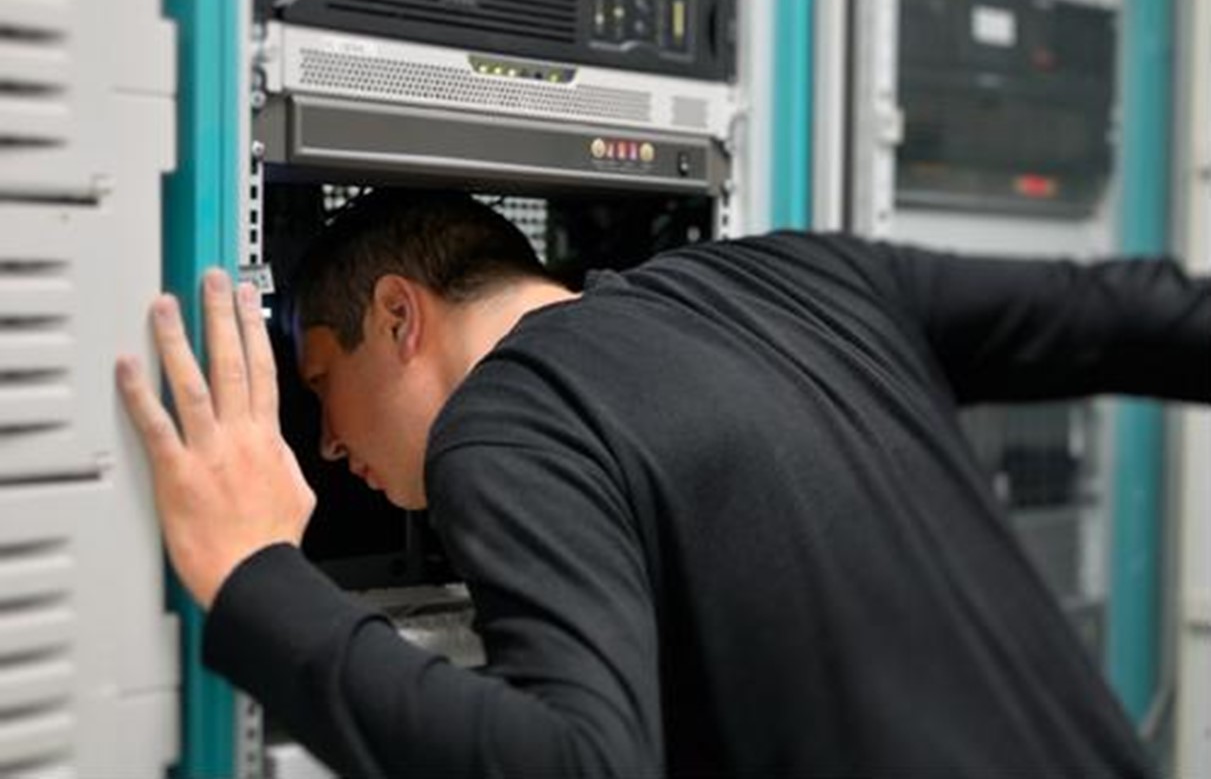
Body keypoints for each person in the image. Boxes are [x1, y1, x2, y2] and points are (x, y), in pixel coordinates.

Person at [116, 191, 1210, 778]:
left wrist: (259, 575)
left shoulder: (505, 418)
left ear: (400, 318)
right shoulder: (802, 276)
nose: (325, 443)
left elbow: (578, 766)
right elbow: (1144, 312)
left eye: (320, 384)